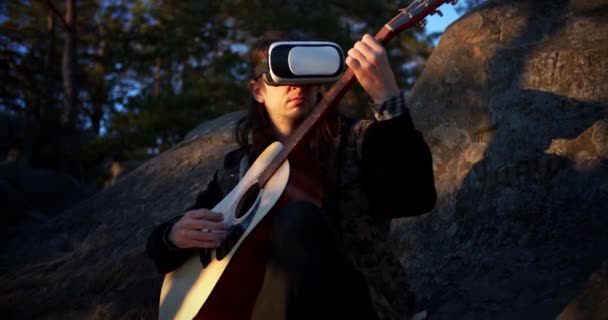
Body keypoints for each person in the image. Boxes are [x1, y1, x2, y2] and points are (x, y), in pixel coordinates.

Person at [147, 30, 436, 320]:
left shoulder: (360, 141)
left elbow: (415, 198)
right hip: (262, 306)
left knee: (298, 218)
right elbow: (165, 248)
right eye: (283, 73)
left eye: (307, 72)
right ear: (257, 90)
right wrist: (171, 236)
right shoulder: (240, 169)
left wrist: (387, 100)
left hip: (356, 305)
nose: (297, 85)